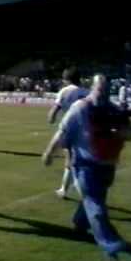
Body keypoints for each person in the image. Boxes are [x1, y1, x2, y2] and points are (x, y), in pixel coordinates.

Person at [42, 74, 131, 261]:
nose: (103, 93)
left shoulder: (114, 110)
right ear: (92, 88)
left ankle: (79, 222)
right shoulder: (80, 108)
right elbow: (63, 131)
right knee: (96, 207)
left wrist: (118, 130)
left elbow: (129, 135)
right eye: (100, 89)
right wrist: (49, 152)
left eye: (107, 89)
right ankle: (111, 246)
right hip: (85, 164)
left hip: (107, 166)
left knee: (94, 199)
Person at [47, 67, 89, 199]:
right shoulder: (86, 92)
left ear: (66, 79)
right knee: (77, 159)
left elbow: (55, 109)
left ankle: (83, 195)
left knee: (71, 160)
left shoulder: (64, 91)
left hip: (71, 130)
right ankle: (64, 188)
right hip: (88, 131)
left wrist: (51, 118)